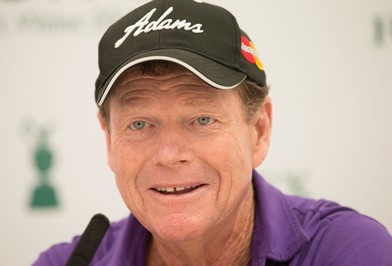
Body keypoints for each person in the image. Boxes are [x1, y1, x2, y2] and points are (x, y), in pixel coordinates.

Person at [34, 0, 392, 265]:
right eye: (140, 124)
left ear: (259, 131)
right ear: (110, 141)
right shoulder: (66, 263)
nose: (169, 154)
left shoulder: (346, 251)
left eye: (201, 119)